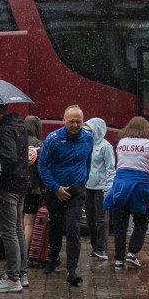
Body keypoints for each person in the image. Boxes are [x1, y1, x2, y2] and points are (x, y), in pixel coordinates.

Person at [37, 105, 93, 287]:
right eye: (71, 121)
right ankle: (54, 257)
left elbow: (88, 160)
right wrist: (55, 188)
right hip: (55, 191)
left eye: (78, 121)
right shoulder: (53, 139)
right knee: (55, 226)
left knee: (73, 228)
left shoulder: (88, 138)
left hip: (77, 190)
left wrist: (84, 179)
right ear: (64, 121)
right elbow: (42, 165)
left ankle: (72, 270)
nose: (75, 125)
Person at [103, 117, 149, 269]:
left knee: (120, 224)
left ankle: (118, 259)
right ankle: (132, 253)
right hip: (139, 186)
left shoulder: (122, 143)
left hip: (120, 184)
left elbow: (120, 165)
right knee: (141, 222)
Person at [0, 104, 29, 294]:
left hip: (7, 186)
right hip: (21, 184)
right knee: (17, 229)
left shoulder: (4, 130)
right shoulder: (19, 126)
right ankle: (21, 273)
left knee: (8, 232)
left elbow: (8, 158)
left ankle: (12, 277)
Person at [84, 118, 115, 261]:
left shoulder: (105, 146)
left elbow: (110, 168)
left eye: (89, 130)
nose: (86, 132)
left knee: (101, 219)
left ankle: (101, 248)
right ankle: (95, 247)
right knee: (90, 219)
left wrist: (108, 188)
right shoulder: (86, 144)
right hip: (87, 187)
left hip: (101, 187)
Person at [22, 116, 44, 252]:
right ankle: (24, 256)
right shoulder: (38, 145)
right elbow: (42, 168)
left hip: (18, 188)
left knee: (19, 224)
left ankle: (16, 256)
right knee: (29, 223)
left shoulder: (18, 142)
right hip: (33, 189)